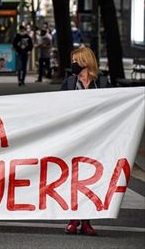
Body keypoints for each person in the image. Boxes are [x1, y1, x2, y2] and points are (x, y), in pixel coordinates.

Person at [61, 47, 108, 236]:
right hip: (74, 135)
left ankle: (86, 221)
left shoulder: (102, 82)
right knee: (74, 178)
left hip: (96, 137)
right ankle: (74, 219)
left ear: (85, 61)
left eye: (76, 59)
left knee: (89, 178)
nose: (73, 63)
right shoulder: (69, 83)